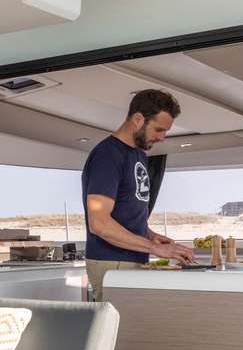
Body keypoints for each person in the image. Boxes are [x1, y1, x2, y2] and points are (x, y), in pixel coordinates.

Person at [82, 88, 196, 300]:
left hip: (132, 259)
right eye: (158, 129)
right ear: (137, 119)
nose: (162, 137)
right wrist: (154, 248)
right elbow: (99, 223)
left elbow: (125, 213)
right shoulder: (108, 155)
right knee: (120, 322)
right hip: (112, 261)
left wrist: (149, 234)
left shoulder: (138, 155)